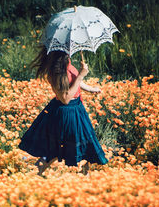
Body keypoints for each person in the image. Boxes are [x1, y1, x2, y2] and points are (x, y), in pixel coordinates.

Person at [18, 46, 108, 176]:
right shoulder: (57, 72)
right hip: (67, 112)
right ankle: (36, 173)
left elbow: (73, 80)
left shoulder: (66, 64)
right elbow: (65, 98)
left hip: (76, 109)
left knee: (86, 144)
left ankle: (85, 178)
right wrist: (82, 75)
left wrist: (89, 88)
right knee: (59, 148)